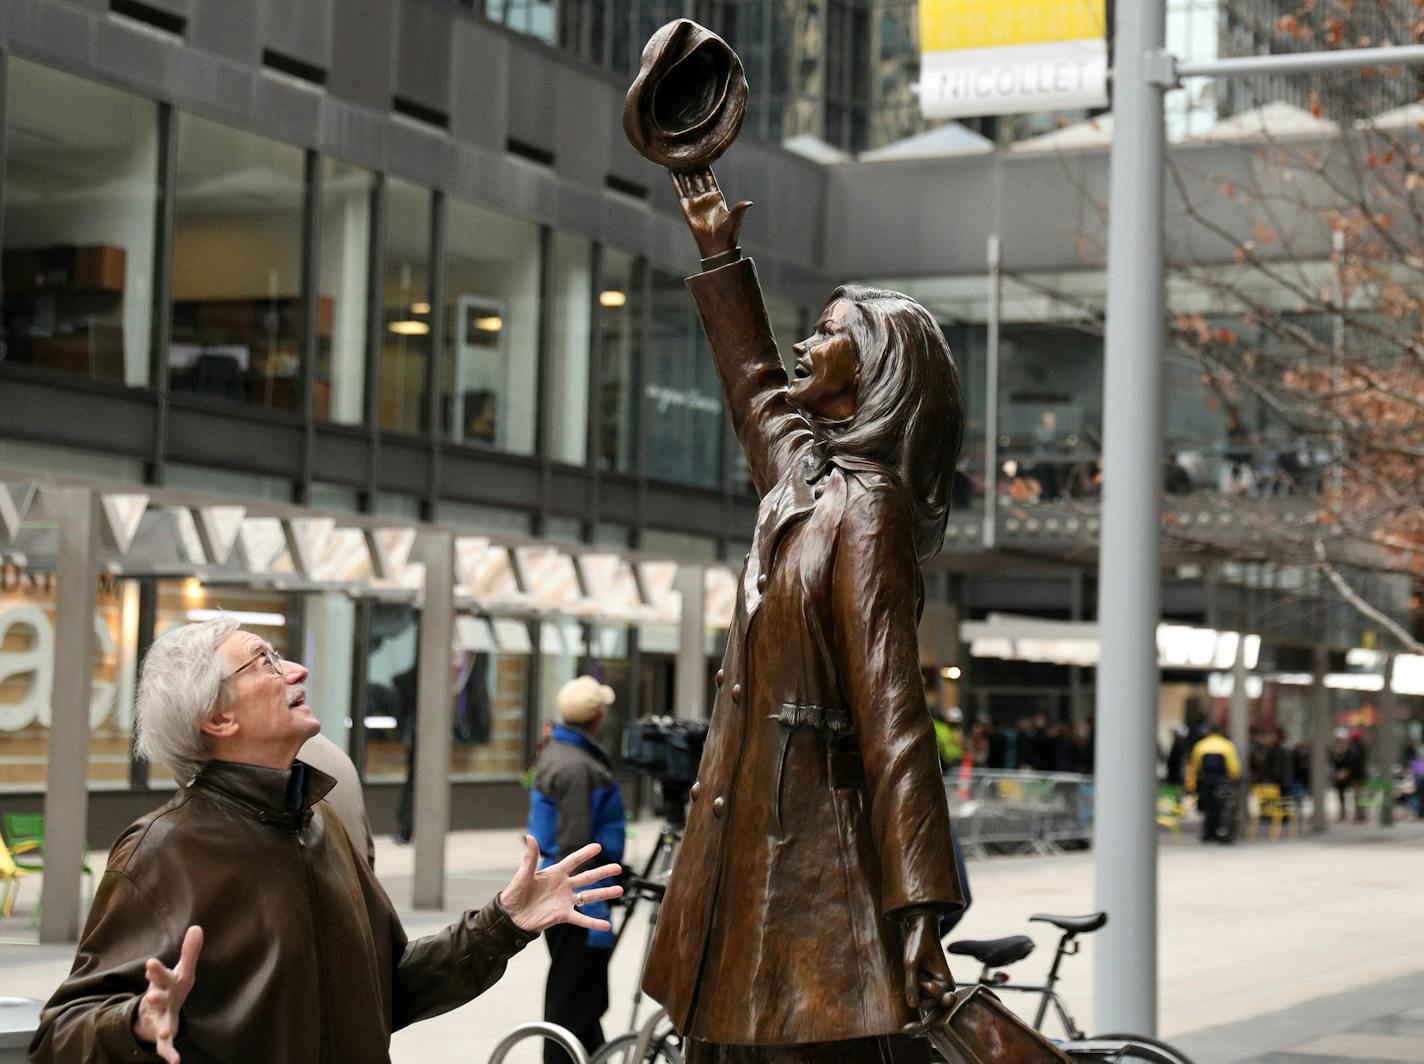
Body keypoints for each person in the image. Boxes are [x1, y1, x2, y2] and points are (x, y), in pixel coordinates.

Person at [639, 165, 966, 1063]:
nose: (806, 346)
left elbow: (894, 713)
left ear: (875, 369)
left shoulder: (871, 509)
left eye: (828, 334)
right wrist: (718, 251)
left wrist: (919, 904)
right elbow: (751, 382)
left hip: (815, 864)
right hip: (750, 843)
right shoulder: (805, 482)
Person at [30, 618, 622, 1064]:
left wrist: (503, 923)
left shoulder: (320, 824)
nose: (296, 670)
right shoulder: (162, 849)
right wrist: (134, 1021)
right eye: (264, 662)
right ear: (218, 719)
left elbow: (391, 989)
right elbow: (59, 1034)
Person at [529, 676, 627, 1063]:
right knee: (574, 1002)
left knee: (579, 999)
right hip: (577, 897)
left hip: (563, 890)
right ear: (599, 717)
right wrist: (591, 902)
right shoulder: (579, 767)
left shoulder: (558, 752)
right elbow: (576, 844)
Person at [1187, 723, 1243, 843]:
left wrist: (1190, 784)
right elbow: (1234, 767)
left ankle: (1208, 832)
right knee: (1222, 807)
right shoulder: (1227, 745)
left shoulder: (1201, 745)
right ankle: (1220, 831)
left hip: (1205, 780)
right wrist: (1235, 779)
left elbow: (1193, 767)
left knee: (1208, 807)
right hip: (1221, 781)